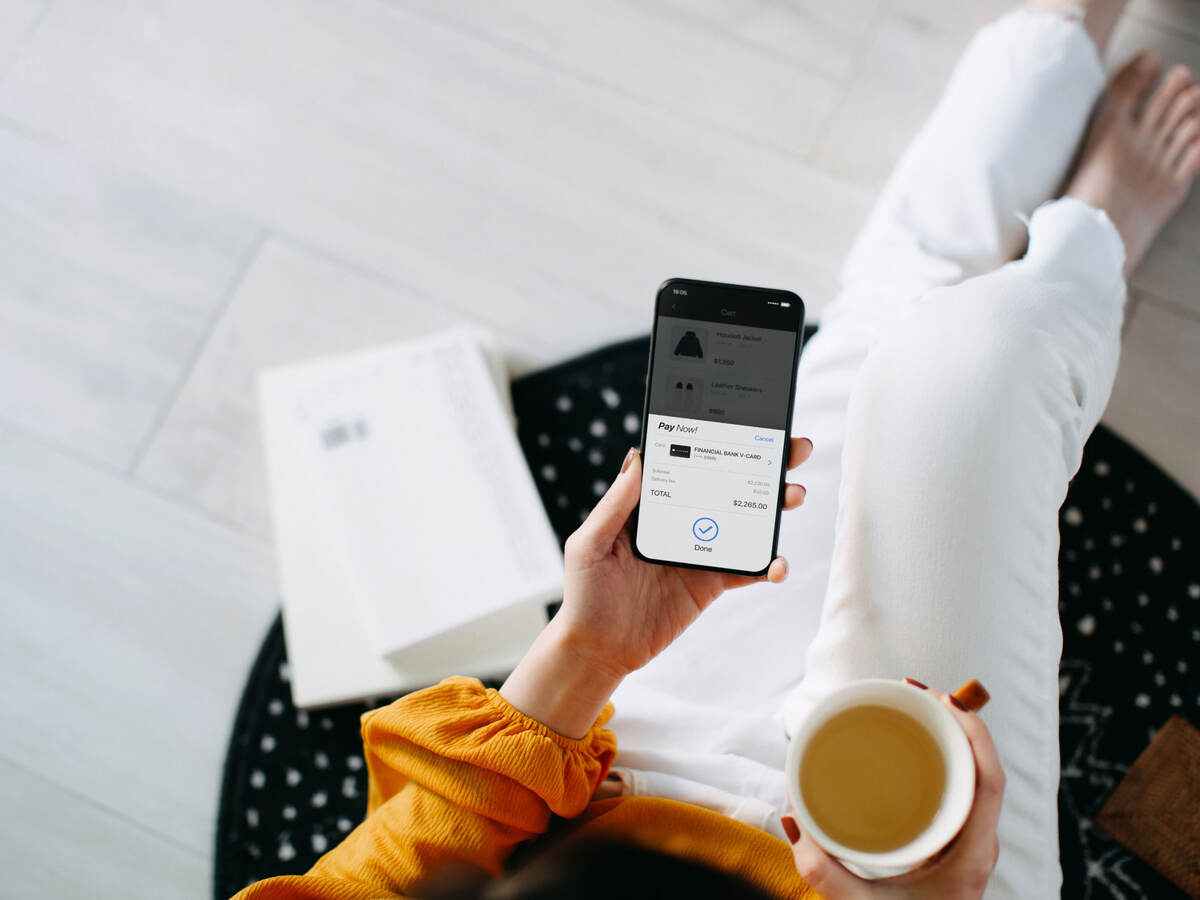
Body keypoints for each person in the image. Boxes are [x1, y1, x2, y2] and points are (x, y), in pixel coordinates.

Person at [233, 0, 1200, 896]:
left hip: (619, 805)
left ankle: (1056, 70)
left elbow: (391, 874)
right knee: (969, 370)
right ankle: (1090, 233)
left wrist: (583, 652)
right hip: (894, 885)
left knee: (876, 347)